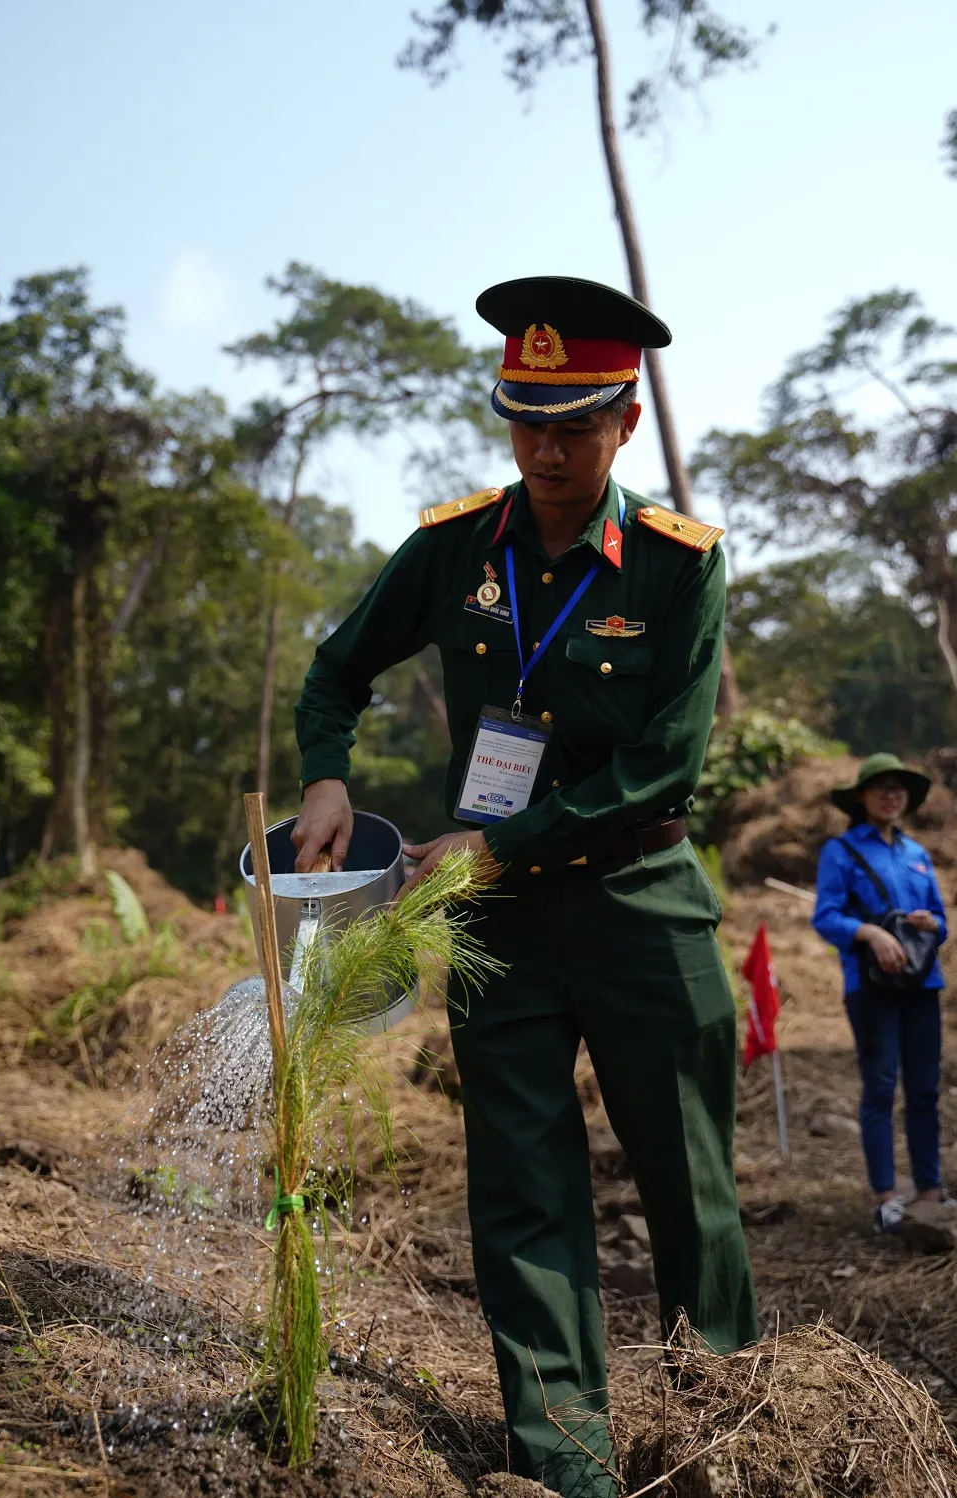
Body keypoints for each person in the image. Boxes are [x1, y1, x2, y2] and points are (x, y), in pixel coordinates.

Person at [292, 276, 758, 1496]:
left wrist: (497, 846)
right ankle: (564, 1459)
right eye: (525, 421)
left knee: (688, 1181)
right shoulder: (452, 548)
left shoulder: (675, 566)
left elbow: (666, 763)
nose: (547, 450)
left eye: (575, 423)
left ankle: (726, 1425)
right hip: (497, 925)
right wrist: (327, 780)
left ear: (627, 420)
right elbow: (334, 672)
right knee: (522, 1186)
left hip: (641, 904)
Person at [812, 753, 949, 1235]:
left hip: (921, 984)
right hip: (869, 988)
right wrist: (871, 934)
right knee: (881, 1086)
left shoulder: (916, 853)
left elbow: (942, 920)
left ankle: (931, 1191)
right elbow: (825, 917)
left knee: (925, 1090)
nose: (891, 794)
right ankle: (887, 1198)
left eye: (899, 788)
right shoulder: (842, 851)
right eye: (880, 787)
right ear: (862, 797)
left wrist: (932, 924)